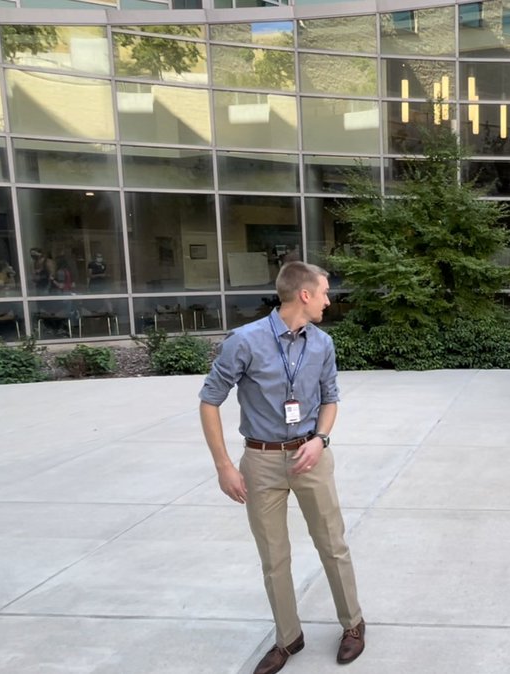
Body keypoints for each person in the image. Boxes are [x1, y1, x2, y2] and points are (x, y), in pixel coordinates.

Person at [198, 261, 365, 674]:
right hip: (260, 461)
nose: (329, 300)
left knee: (332, 544)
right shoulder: (245, 341)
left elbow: (330, 399)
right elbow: (209, 401)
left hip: (310, 456)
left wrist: (320, 440)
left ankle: (354, 624)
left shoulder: (322, 343)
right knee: (274, 558)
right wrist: (224, 466)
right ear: (303, 295)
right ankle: (288, 636)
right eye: (324, 292)